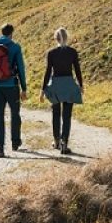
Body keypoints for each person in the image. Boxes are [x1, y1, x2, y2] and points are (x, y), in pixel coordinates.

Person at [40, 26, 84, 154]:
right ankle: (65, 143)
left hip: (56, 85)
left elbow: (48, 72)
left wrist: (42, 90)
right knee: (67, 115)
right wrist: (81, 85)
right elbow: (77, 70)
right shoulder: (72, 52)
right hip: (69, 84)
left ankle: (56, 141)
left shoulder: (51, 53)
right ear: (66, 37)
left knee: (56, 114)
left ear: (56, 38)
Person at [0, 23, 27, 158]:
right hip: (12, 86)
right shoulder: (15, 47)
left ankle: (0, 148)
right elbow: (20, 68)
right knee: (15, 113)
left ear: (1, 32)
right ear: (11, 33)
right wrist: (24, 88)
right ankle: (15, 143)